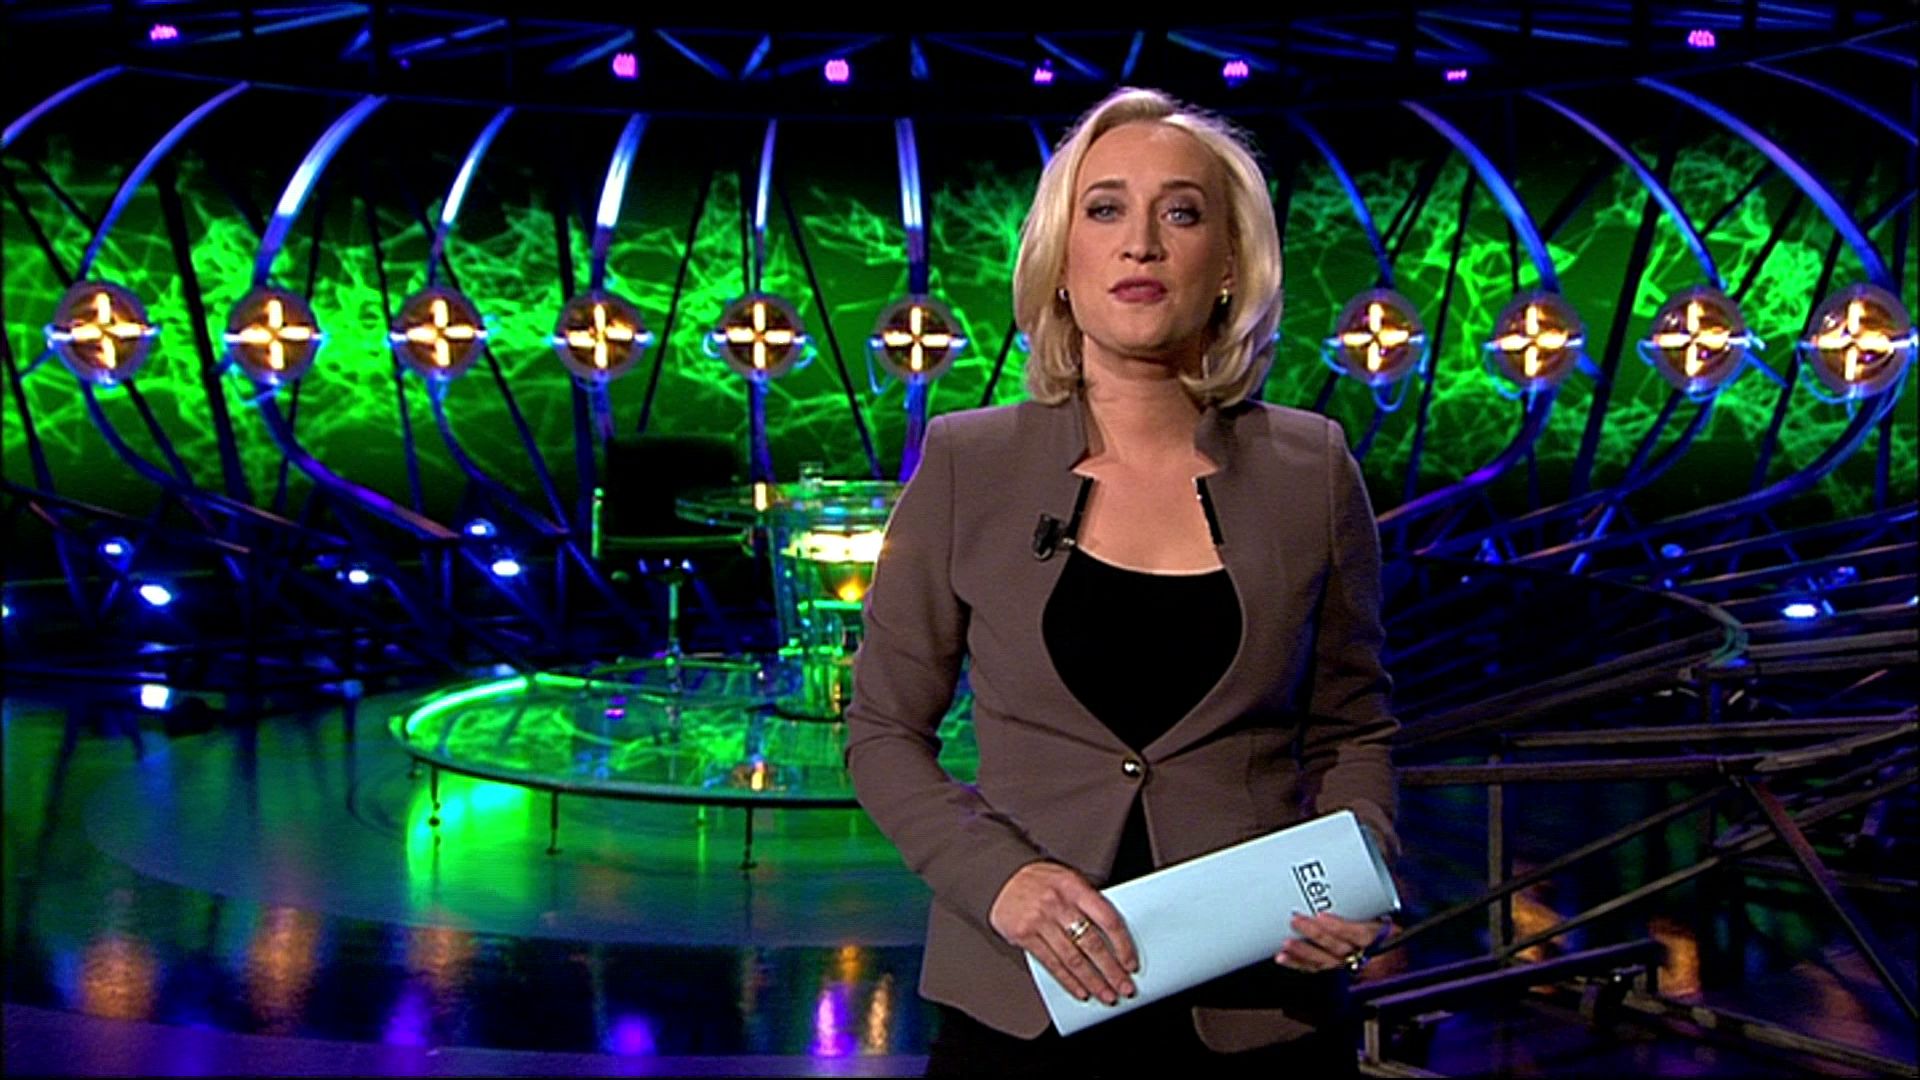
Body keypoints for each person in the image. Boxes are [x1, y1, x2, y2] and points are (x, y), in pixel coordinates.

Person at [844, 86, 1399, 1077]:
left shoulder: (1310, 469)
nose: (1140, 243)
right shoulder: (970, 463)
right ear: (1061, 260)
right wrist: (999, 879)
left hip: (1259, 1008)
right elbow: (883, 729)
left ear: (1230, 265)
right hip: (1022, 1007)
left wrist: (1360, 872)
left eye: (1181, 213)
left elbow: (1352, 727)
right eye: (1104, 210)